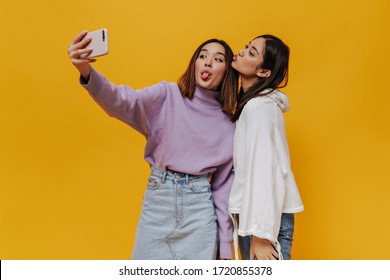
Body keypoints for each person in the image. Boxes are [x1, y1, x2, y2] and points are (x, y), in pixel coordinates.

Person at [67, 31, 238, 260]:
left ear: (227, 71)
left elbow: (223, 190)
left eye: (218, 59)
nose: (208, 61)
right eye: (203, 55)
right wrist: (86, 71)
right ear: (194, 63)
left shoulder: (229, 125)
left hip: (200, 209)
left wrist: (226, 246)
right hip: (159, 200)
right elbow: (122, 101)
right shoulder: (168, 94)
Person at [228, 34, 304, 260]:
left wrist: (261, 236)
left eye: (251, 52)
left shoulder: (259, 107)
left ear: (263, 72)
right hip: (256, 218)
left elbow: (264, 169)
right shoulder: (256, 105)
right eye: (246, 47)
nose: (241, 52)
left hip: (262, 224)